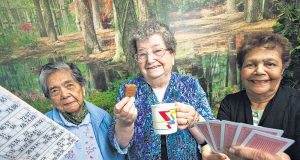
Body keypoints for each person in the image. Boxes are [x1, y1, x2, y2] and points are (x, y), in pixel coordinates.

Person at [108, 19, 215, 159]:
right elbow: (120, 144)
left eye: (157, 51)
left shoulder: (190, 85)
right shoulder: (128, 90)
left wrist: (194, 120)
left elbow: (212, 138)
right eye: (142, 54)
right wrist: (124, 123)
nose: (150, 59)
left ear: (172, 54)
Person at [202, 32, 300, 160]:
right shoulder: (229, 103)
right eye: (250, 65)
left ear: (282, 70)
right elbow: (221, 148)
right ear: (241, 69)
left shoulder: (297, 104)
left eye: (270, 64)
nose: (259, 71)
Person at [39, 62, 124, 160]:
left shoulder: (103, 118)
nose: (64, 94)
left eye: (69, 85)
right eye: (55, 91)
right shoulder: (44, 126)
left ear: (82, 88)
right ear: (49, 97)